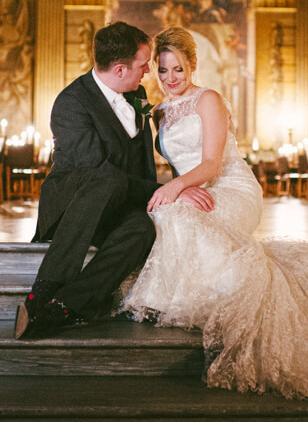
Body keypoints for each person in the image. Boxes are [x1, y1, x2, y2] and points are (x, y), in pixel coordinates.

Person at [119, 26, 308, 400]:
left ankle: (228, 291)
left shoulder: (209, 100)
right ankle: (212, 288)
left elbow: (212, 164)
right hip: (193, 188)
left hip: (230, 187)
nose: (171, 79)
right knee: (168, 215)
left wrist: (177, 189)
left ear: (194, 66)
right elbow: (174, 166)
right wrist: (179, 191)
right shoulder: (161, 111)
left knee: (177, 214)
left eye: (179, 70)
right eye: (163, 70)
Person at [15, 21, 213, 340]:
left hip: (118, 205)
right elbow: (104, 176)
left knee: (142, 229)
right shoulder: (71, 104)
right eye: (142, 65)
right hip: (75, 207)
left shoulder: (137, 94)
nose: (148, 72)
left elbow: (138, 161)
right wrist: (171, 191)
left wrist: (160, 199)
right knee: (104, 180)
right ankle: (42, 292)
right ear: (120, 69)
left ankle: (64, 306)